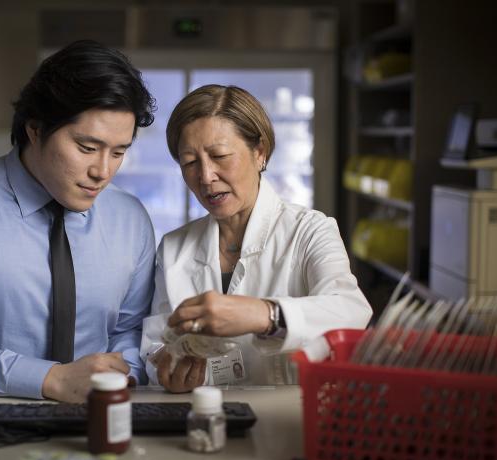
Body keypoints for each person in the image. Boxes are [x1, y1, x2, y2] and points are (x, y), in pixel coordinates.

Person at [0, 40, 156, 402]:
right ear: (36, 128)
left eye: (119, 152)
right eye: (87, 148)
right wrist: (52, 380)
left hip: (99, 416)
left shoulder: (131, 219)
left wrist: (125, 374)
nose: (102, 171)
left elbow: (131, 331)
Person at [140, 84, 372, 392]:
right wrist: (165, 367)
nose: (206, 176)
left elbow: (351, 311)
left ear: (259, 152)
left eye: (220, 155)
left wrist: (265, 315)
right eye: (190, 162)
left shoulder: (310, 230)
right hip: (203, 416)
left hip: (291, 417)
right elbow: (156, 341)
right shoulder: (173, 247)